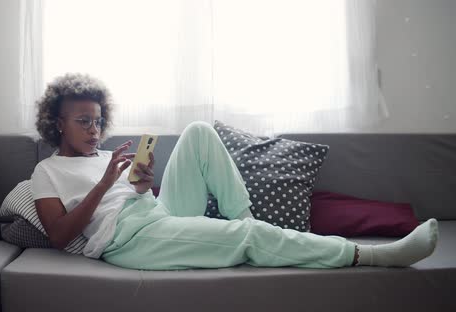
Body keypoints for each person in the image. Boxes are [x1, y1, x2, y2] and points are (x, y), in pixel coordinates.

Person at [31, 73, 439, 270]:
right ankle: (370, 256)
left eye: (98, 121)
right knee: (246, 237)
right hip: (130, 241)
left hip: (156, 214)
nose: (94, 130)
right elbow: (60, 234)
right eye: (83, 121)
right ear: (58, 123)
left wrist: (142, 184)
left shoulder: (106, 157)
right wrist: (104, 186)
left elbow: (134, 198)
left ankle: (247, 224)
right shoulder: (46, 172)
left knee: (199, 132)